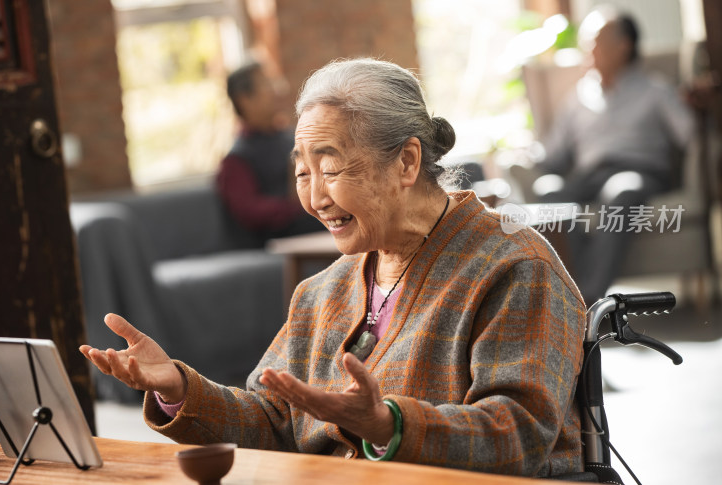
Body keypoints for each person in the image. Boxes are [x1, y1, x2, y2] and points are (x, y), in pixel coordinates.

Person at [80, 58, 586, 477]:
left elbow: (518, 436)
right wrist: (176, 387)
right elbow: (273, 420)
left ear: (407, 162)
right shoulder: (322, 291)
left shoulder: (516, 266)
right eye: (302, 172)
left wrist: (388, 425)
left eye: (330, 167)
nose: (315, 196)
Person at [533, 7, 695, 303]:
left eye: (594, 40)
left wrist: (697, 103)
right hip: (589, 175)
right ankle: (574, 296)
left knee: (621, 190)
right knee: (550, 193)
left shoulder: (655, 90)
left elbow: (690, 134)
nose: (587, 48)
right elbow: (552, 153)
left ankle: (590, 299)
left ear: (623, 46)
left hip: (638, 172)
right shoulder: (579, 96)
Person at [217, 62, 322, 240]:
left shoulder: (290, 137)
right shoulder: (236, 159)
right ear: (245, 99)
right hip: (279, 234)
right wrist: (299, 205)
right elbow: (250, 212)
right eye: (267, 85)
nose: (277, 91)